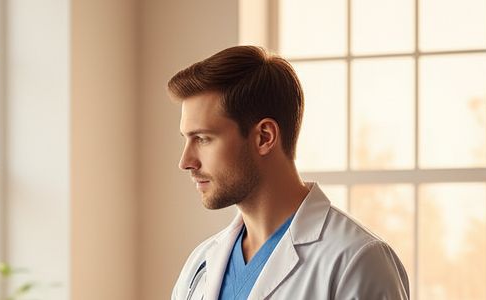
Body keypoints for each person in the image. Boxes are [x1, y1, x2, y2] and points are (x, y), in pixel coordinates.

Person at [169, 45, 410, 300]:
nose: (186, 161)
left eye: (203, 139)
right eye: (186, 138)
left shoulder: (357, 260)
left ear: (264, 137)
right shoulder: (200, 265)